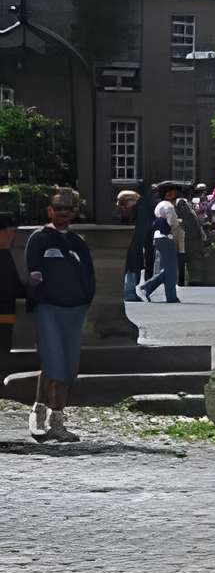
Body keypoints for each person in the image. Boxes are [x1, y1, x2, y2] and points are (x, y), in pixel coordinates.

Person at [25, 188, 95, 442]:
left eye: (68, 209)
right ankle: (44, 414)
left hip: (74, 310)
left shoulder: (78, 243)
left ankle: (54, 417)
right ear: (50, 210)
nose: (63, 213)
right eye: (58, 208)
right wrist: (40, 297)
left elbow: (89, 275)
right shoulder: (39, 238)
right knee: (52, 362)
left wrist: (85, 299)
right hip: (48, 308)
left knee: (66, 365)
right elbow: (33, 272)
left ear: (73, 212)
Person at [139, 183, 183, 303]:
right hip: (167, 238)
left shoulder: (159, 205)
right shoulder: (169, 206)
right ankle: (147, 287)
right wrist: (178, 223)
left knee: (167, 269)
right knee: (171, 269)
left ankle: (170, 296)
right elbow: (172, 223)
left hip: (157, 237)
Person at [0, 208, 25, 393]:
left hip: (6, 312)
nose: (12, 237)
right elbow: (11, 285)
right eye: (9, 233)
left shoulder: (5, 253)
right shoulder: (4, 254)